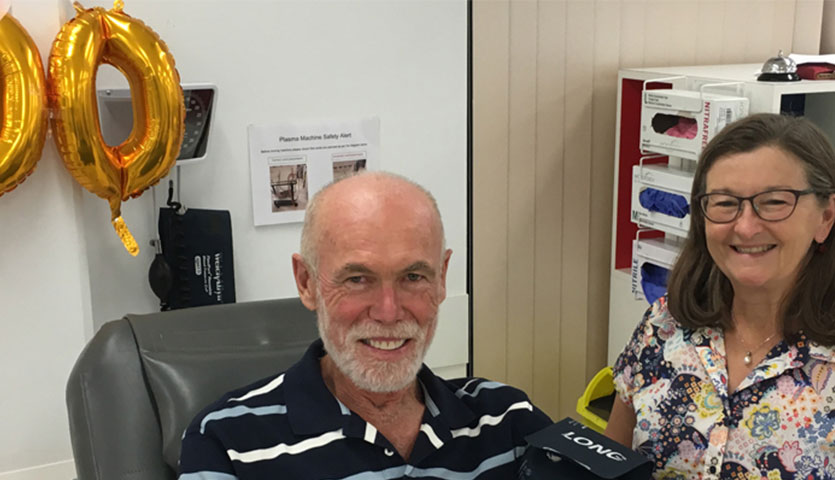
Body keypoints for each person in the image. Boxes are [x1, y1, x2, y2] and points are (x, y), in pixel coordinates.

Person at [178, 172, 552, 479]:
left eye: (414, 276)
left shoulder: (507, 420)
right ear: (306, 283)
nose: (388, 313)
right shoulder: (226, 442)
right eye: (357, 279)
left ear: (441, 281)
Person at [606, 113, 835, 479]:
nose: (745, 226)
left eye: (775, 201)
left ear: (825, 217)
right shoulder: (663, 325)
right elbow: (608, 463)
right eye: (725, 203)